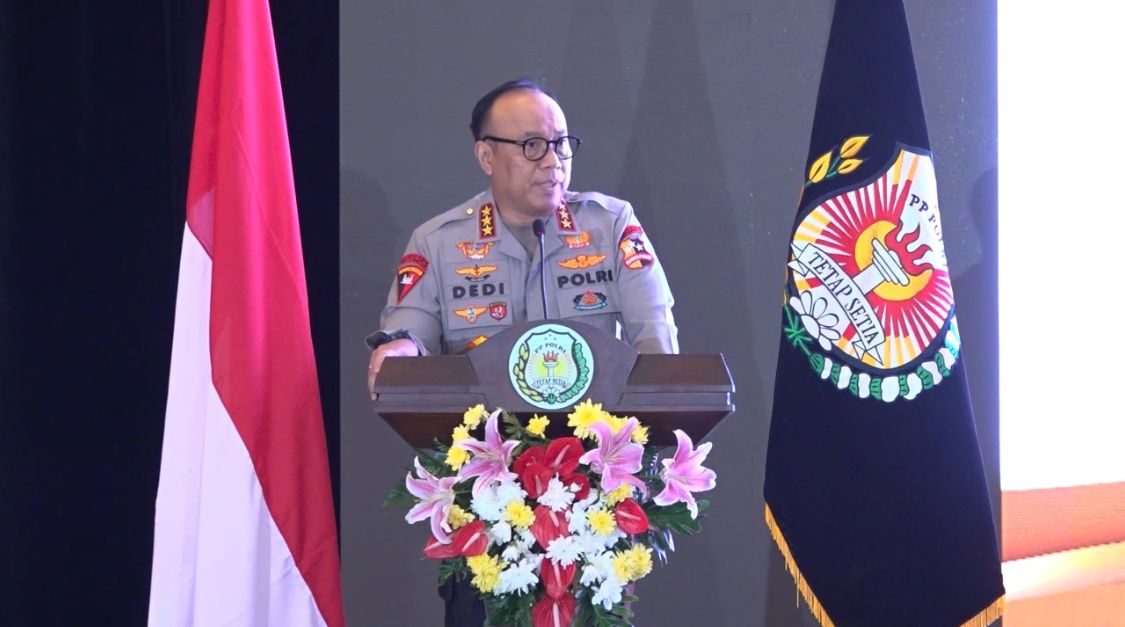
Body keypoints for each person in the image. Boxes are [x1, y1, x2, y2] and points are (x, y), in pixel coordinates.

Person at [365, 79, 678, 625]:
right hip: (486, 504)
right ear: (486, 156)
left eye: (561, 144)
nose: (553, 161)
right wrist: (401, 350)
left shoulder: (610, 225)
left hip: (594, 503)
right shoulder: (439, 242)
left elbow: (656, 343)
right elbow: (408, 334)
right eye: (532, 145)